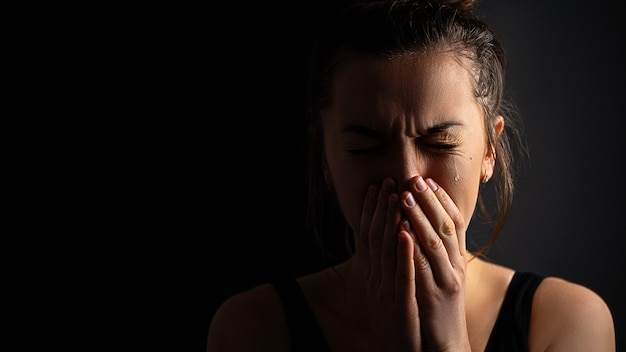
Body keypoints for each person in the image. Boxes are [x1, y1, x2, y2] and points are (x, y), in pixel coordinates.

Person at [206, 0, 616, 350]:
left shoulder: (565, 322)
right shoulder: (253, 328)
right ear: (324, 158)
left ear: (489, 150)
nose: (405, 176)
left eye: (440, 144)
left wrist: (449, 343)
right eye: (365, 147)